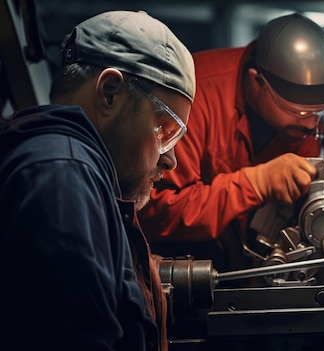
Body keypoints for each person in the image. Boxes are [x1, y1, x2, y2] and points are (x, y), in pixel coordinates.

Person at [0, 10, 195, 350]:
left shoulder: (79, 177)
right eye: (165, 130)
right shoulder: (62, 177)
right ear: (109, 92)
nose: (171, 160)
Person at [138, 13, 324, 272]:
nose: (309, 124)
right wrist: (254, 185)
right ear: (256, 81)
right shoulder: (196, 93)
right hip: (178, 271)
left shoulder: (303, 124)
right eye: (300, 111)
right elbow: (154, 211)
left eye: (319, 112)